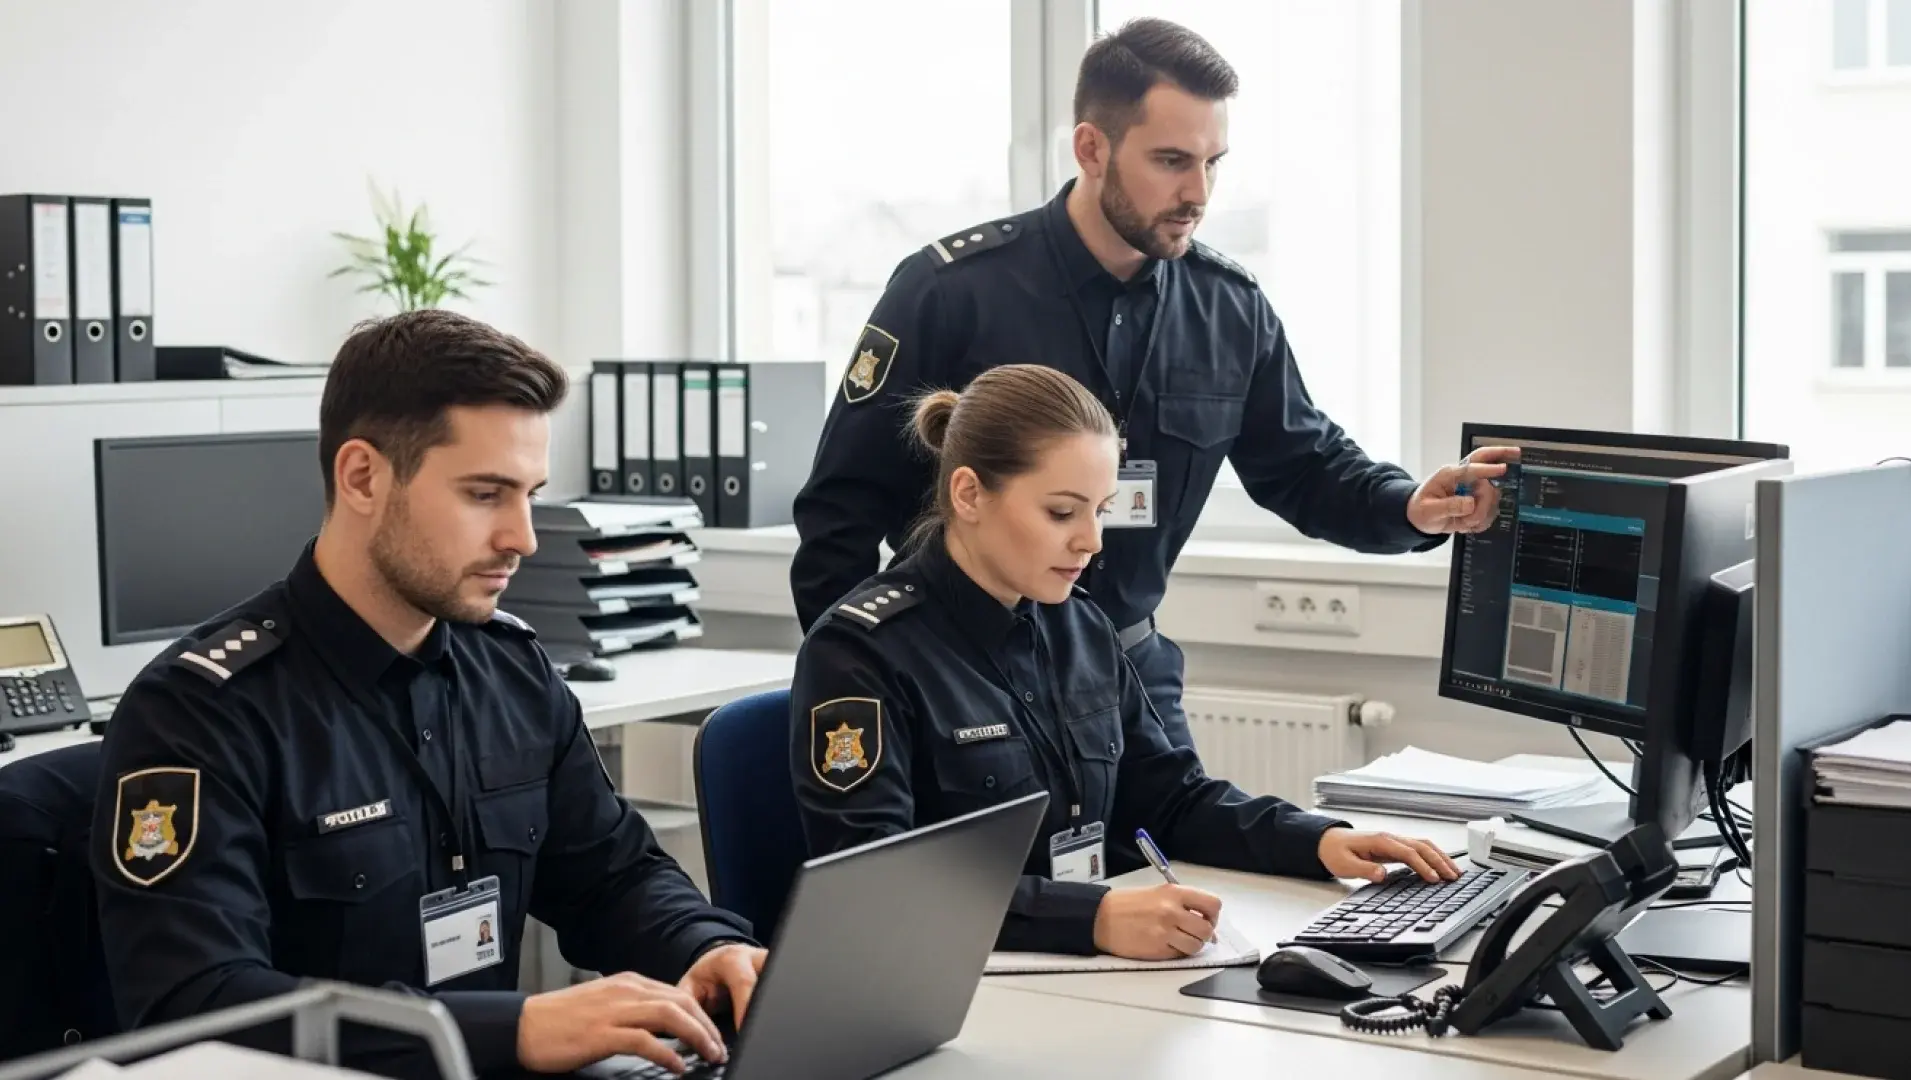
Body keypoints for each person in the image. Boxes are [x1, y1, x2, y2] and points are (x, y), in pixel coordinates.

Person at [789, 16, 1514, 753]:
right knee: (1003, 876)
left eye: (1213, 162)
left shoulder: (1229, 307)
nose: (1198, 192)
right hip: (960, 680)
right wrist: (857, 680)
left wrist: (1411, 509)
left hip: (1129, 678)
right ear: (1091, 148)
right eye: (1171, 160)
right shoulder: (950, 292)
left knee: (1186, 860)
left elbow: (1304, 465)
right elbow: (839, 515)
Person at [92, 310, 762, 1080]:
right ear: (363, 477)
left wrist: (706, 947)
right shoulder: (200, 713)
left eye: (530, 494)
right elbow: (193, 1012)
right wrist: (508, 1030)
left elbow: (612, 874)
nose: (524, 536)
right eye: (485, 494)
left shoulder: (511, 669)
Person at [788, 365, 1460, 959]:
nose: (1090, 541)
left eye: (1102, 511)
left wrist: (1315, 841)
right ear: (968, 495)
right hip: (953, 980)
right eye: (1061, 512)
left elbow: (1168, 799)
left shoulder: (1076, 621)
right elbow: (874, 882)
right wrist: (1093, 916)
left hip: (1083, 968)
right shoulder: (862, 650)